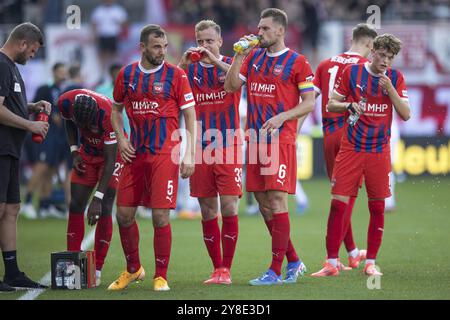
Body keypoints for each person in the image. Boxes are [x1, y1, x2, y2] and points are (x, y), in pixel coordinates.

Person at [225, 8, 315, 285]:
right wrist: (239, 56)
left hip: (281, 140)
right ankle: (294, 261)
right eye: (258, 27)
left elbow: (310, 102)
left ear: (280, 31)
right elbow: (230, 87)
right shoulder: (252, 58)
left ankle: (275, 270)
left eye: (264, 28)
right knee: (264, 205)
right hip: (255, 140)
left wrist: (283, 116)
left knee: (276, 200)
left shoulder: (297, 61)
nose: (259, 32)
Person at [311, 34, 410, 277]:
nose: (386, 61)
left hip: (379, 152)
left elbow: (406, 114)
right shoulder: (352, 73)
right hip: (351, 149)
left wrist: (391, 92)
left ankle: (370, 262)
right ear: (372, 50)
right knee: (337, 204)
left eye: (390, 57)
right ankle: (332, 263)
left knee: (377, 208)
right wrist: (348, 106)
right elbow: (331, 103)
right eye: (382, 55)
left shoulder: (395, 78)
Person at [109, 24, 196, 292]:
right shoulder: (127, 74)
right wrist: (122, 139)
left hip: (163, 155)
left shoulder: (176, 75)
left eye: (165, 46)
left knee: (160, 216)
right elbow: (115, 110)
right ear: (143, 48)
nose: (162, 51)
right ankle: (133, 268)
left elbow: (191, 115)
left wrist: (190, 153)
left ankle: (161, 275)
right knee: (123, 214)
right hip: (133, 153)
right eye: (157, 47)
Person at [178, 20, 242, 284]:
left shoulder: (230, 62)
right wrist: (182, 64)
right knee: (206, 210)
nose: (204, 46)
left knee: (228, 206)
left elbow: (236, 82)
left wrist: (214, 60)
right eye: (200, 41)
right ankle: (216, 268)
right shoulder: (189, 71)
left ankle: (226, 269)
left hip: (228, 143)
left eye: (209, 41)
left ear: (220, 42)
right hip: (200, 147)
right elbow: (170, 87)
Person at [312, 23, 378, 270]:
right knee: (346, 197)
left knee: (340, 194)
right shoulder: (366, 68)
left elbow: (309, 100)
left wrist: (293, 129)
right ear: (370, 45)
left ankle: (351, 252)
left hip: (329, 135)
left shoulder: (325, 63)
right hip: (352, 136)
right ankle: (333, 260)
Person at [0, 22, 50, 291]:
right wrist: (31, 125)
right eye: (31, 50)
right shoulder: (0, 64)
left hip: (10, 149)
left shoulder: (12, 69)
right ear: (21, 43)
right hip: (0, 147)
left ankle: (12, 272)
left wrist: (32, 108)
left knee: (11, 209)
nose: (32, 55)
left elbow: (11, 105)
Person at [57, 89, 123, 286]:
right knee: (76, 204)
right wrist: (74, 151)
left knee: (105, 206)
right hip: (86, 152)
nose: (85, 127)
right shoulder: (65, 102)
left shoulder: (108, 115)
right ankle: (72, 264)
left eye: (88, 124)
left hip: (111, 155)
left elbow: (110, 161)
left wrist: (97, 198)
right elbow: (68, 121)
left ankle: (98, 268)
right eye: (82, 124)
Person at [22, 62, 68, 219]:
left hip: (58, 138)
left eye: (65, 72)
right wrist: (51, 114)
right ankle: (27, 203)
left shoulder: (63, 91)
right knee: (40, 168)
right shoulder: (45, 89)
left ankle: (45, 205)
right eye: (61, 71)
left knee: (50, 170)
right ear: (54, 72)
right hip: (44, 136)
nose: (63, 75)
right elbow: (34, 108)